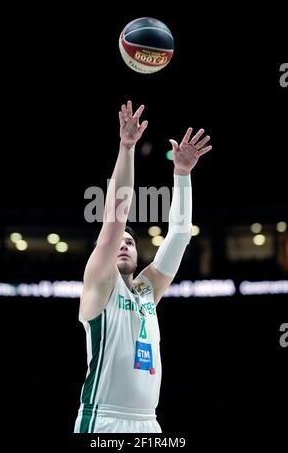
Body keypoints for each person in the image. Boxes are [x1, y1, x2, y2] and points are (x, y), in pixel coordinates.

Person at [74, 101, 212, 433]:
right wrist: (127, 147)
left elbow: (179, 236)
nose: (123, 243)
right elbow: (114, 219)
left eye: (131, 242)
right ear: (101, 253)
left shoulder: (146, 291)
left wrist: (182, 175)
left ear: (138, 256)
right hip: (103, 420)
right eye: (117, 241)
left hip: (149, 425)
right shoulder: (99, 286)